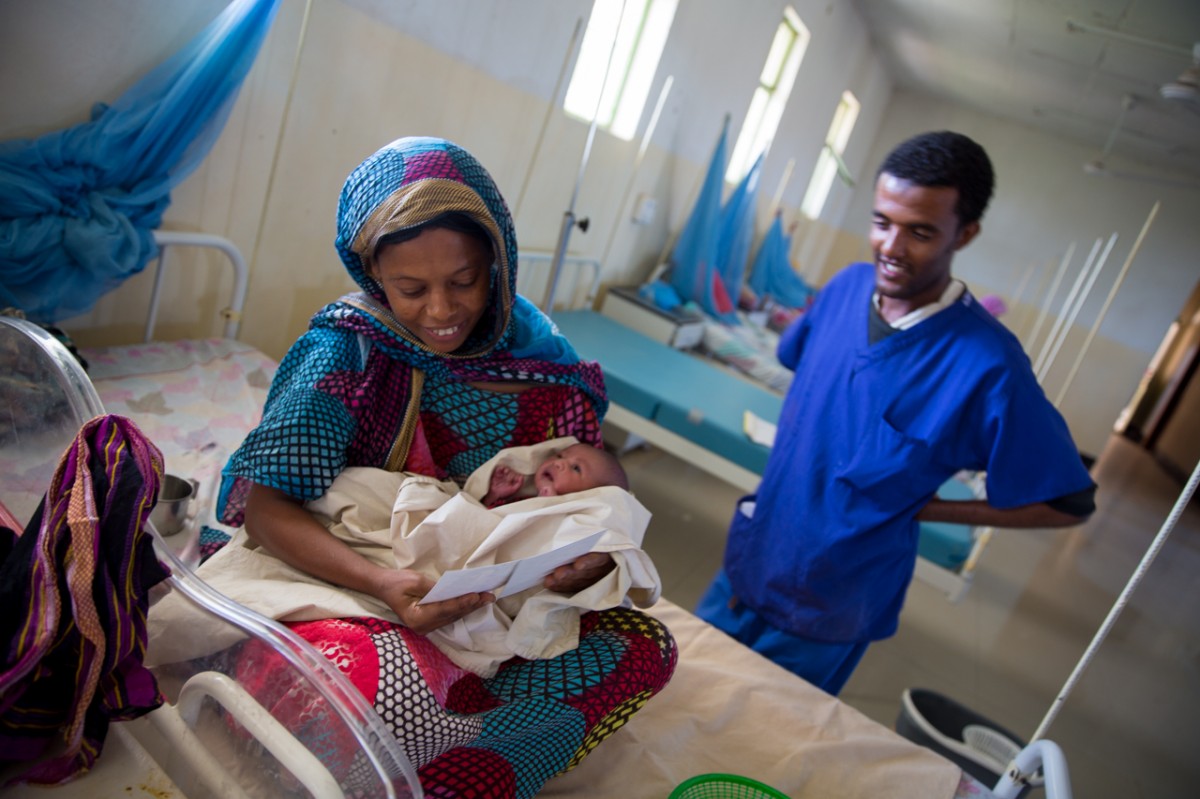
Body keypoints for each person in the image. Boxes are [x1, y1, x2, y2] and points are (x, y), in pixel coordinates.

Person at [209, 137, 676, 795]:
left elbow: (590, 502)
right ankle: (425, 726)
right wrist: (382, 581)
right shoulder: (346, 353)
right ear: (374, 276)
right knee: (372, 681)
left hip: (497, 604)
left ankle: (456, 771)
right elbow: (267, 509)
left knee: (642, 649)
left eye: (464, 281)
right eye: (410, 288)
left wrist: (589, 564)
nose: (440, 311)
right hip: (351, 576)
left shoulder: (547, 369)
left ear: (497, 262)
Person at [697, 130, 1096, 696]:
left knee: (746, 757)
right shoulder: (843, 289)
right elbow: (807, 370)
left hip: (829, 607)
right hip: (752, 559)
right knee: (664, 700)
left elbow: (1067, 503)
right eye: (882, 221)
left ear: (967, 232)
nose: (891, 246)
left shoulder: (986, 366)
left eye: (921, 232)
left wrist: (928, 509)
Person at [480, 438, 628, 506]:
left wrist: (545, 508)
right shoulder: (525, 497)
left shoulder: (570, 520)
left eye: (576, 468)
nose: (558, 463)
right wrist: (495, 495)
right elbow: (488, 522)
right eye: (560, 455)